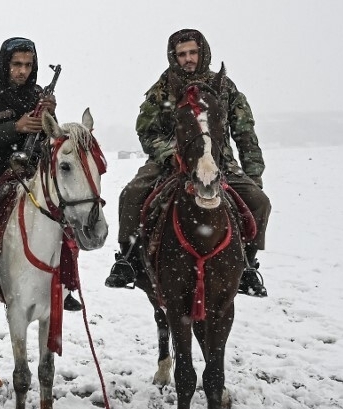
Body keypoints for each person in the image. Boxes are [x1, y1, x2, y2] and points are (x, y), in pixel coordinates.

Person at [104, 28, 270, 296]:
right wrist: (170, 153)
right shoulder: (161, 90)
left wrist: (254, 176)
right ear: (174, 57)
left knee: (259, 202)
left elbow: (245, 134)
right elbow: (147, 131)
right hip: (167, 164)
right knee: (131, 194)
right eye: (182, 54)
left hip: (219, 164)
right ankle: (129, 259)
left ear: (202, 53)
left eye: (193, 52)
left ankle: (248, 265)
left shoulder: (225, 88)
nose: (188, 59)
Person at [0, 37, 82, 311]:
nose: (22, 71)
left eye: (28, 65)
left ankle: (65, 279)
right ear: (5, 64)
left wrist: (50, 116)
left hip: (31, 169)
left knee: (63, 208)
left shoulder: (37, 95)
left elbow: (49, 138)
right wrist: (15, 127)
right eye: (17, 64)